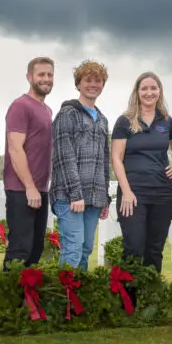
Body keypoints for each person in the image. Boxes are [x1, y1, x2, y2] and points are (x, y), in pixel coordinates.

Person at [112, 72, 172, 272]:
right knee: (134, 248)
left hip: (163, 193)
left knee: (154, 249)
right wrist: (126, 191)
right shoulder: (125, 121)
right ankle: (128, 301)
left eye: (153, 88)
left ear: (159, 92)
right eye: (144, 88)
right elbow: (116, 158)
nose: (149, 92)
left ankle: (151, 299)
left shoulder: (167, 121)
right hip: (133, 193)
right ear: (137, 92)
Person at [51, 60, 112, 271]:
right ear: (78, 84)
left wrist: (105, 198)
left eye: (98, 80)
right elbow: (63, 156)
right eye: (88, 80)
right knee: (73, 250)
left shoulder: (102, 120)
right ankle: (64, 301)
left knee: (85, 249)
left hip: (94, 198)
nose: (93, 84)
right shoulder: (68, 114)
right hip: (70, 197)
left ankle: (78, 300)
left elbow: (105, 161)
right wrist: (75, 194)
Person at [3, 57, 55, 270]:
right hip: (21, 189)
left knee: (35, 250)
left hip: (41, 189)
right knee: (19, 250)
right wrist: (30, 186)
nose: (46, 79)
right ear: (29, 77)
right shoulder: (20, 105)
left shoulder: (47, 110)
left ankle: (27, 301)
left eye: (50, 75)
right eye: (41, 74)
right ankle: (6, 301)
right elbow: (15, 148)